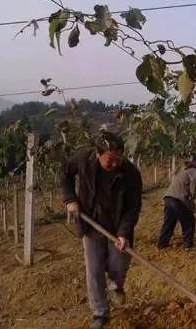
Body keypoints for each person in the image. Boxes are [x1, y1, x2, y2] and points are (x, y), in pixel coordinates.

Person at [62, 132, 142, 329]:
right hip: (91, 223)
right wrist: (70, 199)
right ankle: (100, 313)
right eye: (110, 160)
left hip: (117, 225)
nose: (116, 164)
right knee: (95, 268)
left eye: (119, 159)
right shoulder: (83, 159)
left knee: (119, 262)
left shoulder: (130, 173)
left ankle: (116, 286)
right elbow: (65, 174)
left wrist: (123, 232)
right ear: (98, 154)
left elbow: (133, 207)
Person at [157, 160, 196, 250]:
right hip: (177, 200)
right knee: (189, 220)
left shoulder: (184, 172)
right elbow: (194, 183)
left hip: (168, 198)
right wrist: (192, 199)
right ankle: (188, 245)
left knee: (169, 222)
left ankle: (162, 244)